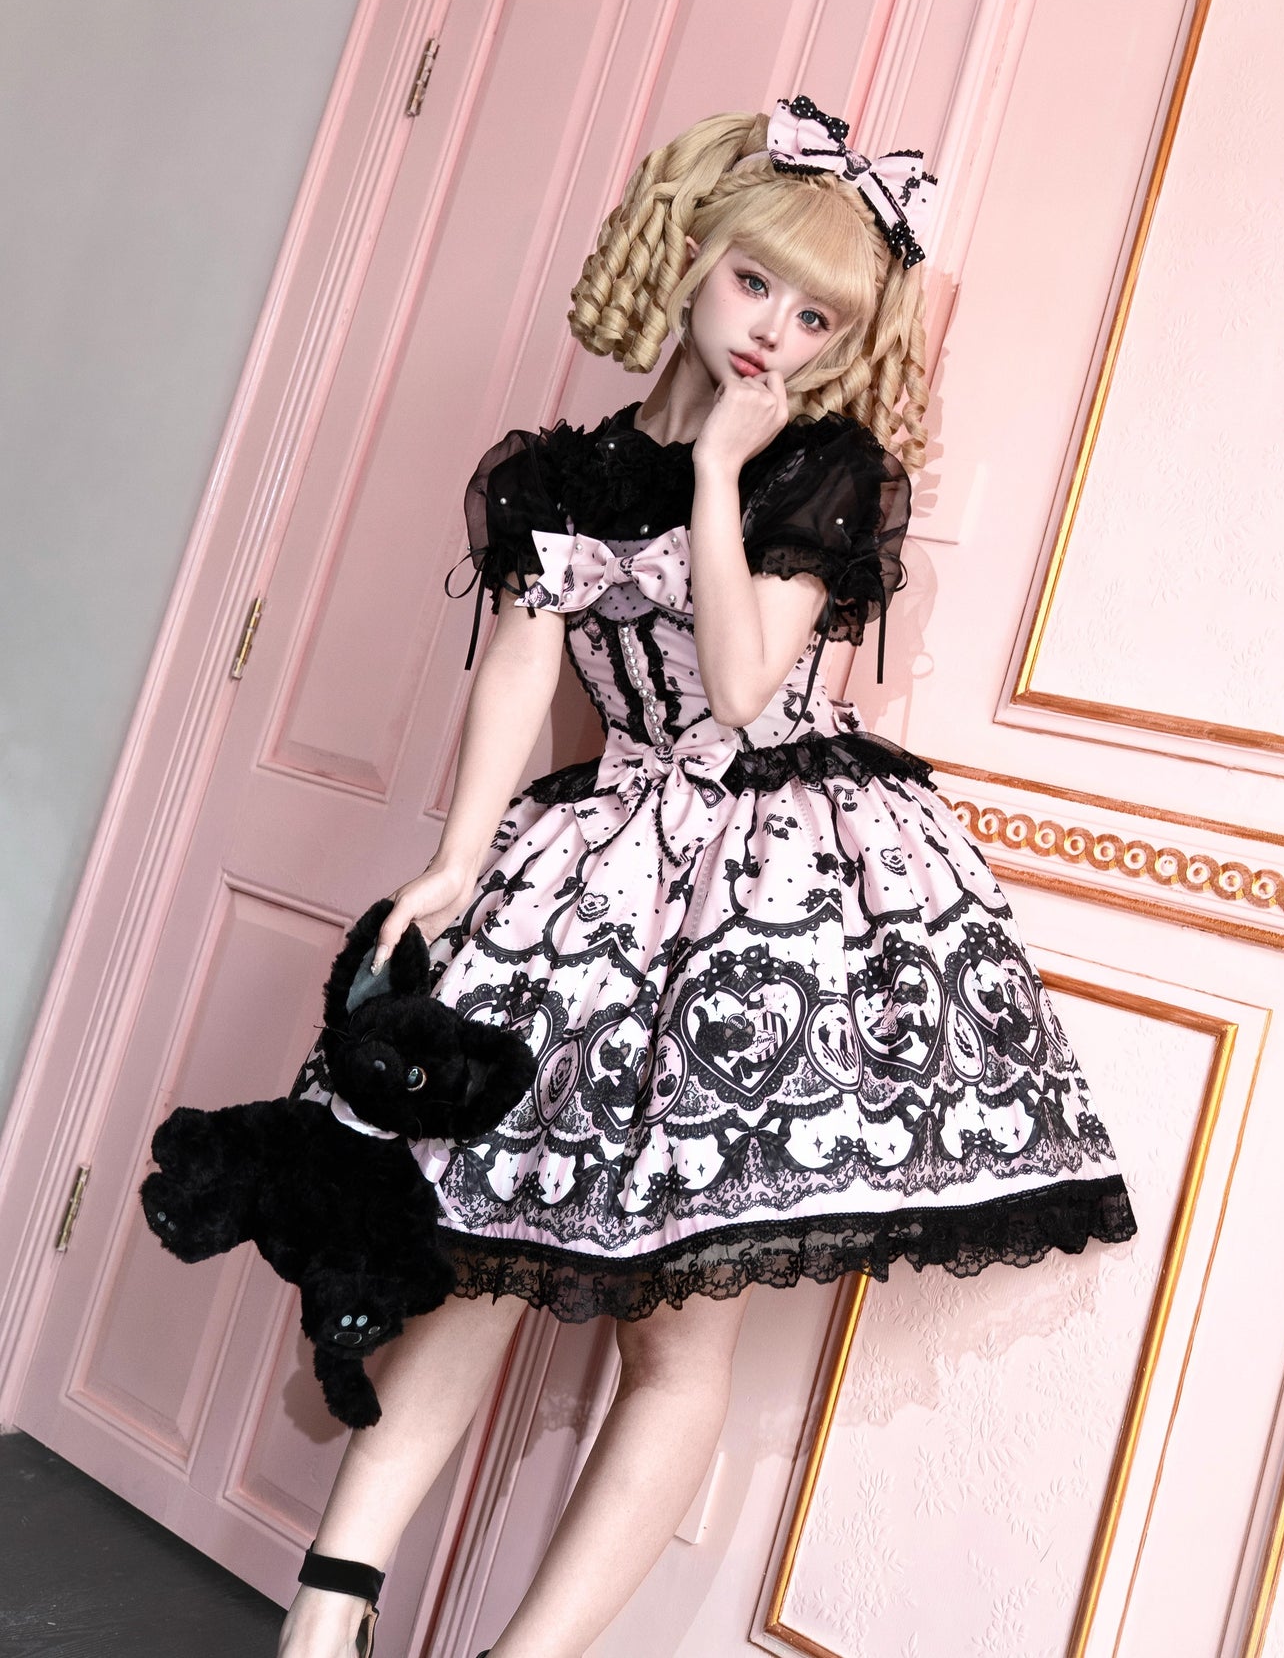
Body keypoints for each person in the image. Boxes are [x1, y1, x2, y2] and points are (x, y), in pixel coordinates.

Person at [278, 98, 1139, 1658]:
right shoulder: (556, 473)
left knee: (675, 1334)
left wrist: (725, 470)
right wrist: (460, 857)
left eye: (817, 320)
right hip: (599, 865)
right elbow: (519, 667)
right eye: (755, 285)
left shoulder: (822, 470)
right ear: (690, 256)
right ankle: (322, 1626)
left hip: (781, 897)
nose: (772, 334)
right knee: (475, 1261)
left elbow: (741, 692)